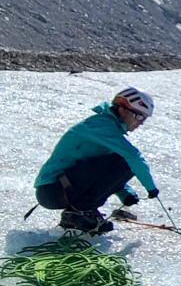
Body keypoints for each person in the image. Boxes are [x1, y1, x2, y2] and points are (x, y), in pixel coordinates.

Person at [35, 88, 161, 235]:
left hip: (58, 189)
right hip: (53, 190)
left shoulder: (107, 128)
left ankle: (80, 213)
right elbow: (133, 157)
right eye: (139, 116)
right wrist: (151, 189)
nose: (141, 123)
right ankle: (79, 213)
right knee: (125, 161)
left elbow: (102, 172)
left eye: (144, 119)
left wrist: (125, 193)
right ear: (122, 109)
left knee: (120, 161)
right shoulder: (101, 126)